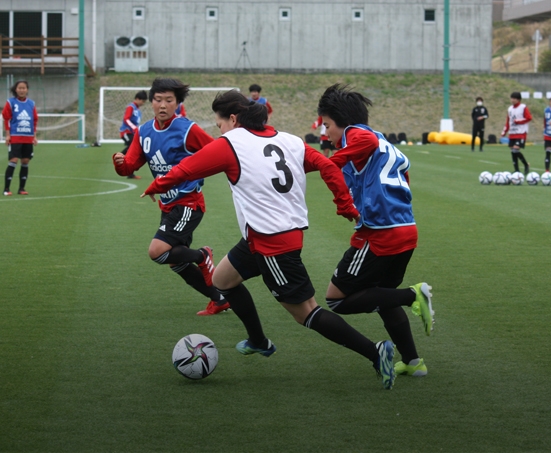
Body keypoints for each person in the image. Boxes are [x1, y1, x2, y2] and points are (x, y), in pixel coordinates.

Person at [142, 90, 397, 389]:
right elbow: (328, 165)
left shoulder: (231, 143)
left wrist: (155, 186)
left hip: (272, 243)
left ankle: (375, 352)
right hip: (262, 235)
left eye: (219, 124)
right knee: (222, 280)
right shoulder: (289, 140)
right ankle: (258, 340)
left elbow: (187, 169)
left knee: (307, 314)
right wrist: (345, 205)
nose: (219, 130)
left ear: (233, 119)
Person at [316, 84, 435, 378]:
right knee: (381, 296)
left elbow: (360, 145)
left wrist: (332, 162)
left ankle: (413, 295)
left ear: (341, 121)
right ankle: (413, 361)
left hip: (380, 235)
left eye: (327, 125)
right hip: (405, 229)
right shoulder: (381, 141)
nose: (326, 132)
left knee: (337, 299)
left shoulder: (357, 135)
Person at [112, 78, 229, 317]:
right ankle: (219, 299)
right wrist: (120, 164)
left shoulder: (187, 129)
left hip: (189, 203)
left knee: (157, 252)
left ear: (177, 103)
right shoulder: (143, 131)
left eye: (169, 100)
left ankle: (202, 255)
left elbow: (219, 152)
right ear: (151, 102)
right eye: (158, 100)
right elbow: (130, 166)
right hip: (168, 205)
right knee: (177, 263)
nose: (162, 105)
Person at [3, 80, 37, 196]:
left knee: (25, 161)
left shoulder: (31, 104)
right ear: (15, 89)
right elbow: (6, 118)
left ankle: (21, 188)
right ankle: (6, 189)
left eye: (24, 88)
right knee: (13, 160)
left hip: (27, 137)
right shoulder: (10, 102)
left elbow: (34, 120)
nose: (22, 90)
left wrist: (34, 136)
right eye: (19, 88)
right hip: (15, 136)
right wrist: (8, 135)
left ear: (27, 90)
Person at [119, 90, 147, 180]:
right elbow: (126, 119)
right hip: (126, 132)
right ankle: (119, 157)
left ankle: (129, 172)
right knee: (132, 148)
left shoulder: (137, 110)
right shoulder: (131, 107)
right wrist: (134, 128)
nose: (143, 103)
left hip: (132, 132)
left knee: (134, 150)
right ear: (137, 99)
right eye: (142, 101)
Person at [501, 92, 531, 174]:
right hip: (512, 133)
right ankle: (517, 170)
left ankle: (526, 165)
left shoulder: (523, 107)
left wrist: (519, 121)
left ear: (519, 100)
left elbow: (529, 118)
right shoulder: (510, 109)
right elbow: (508, 121)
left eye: (514, 98)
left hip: (521, 132)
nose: (512, 100)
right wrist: (504, 130)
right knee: (513, 152)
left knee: (515, 150)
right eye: (511, 98)